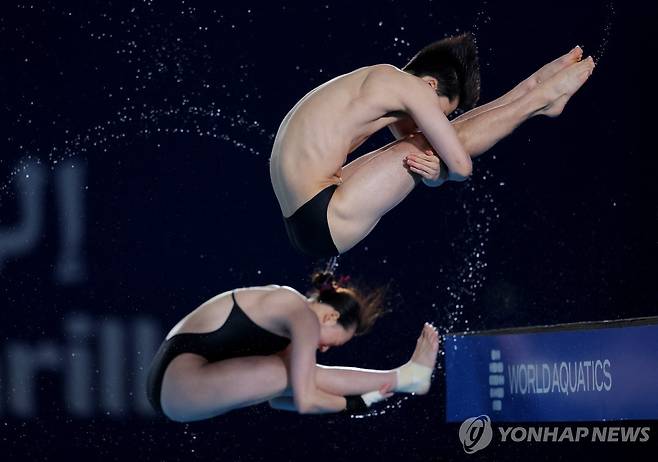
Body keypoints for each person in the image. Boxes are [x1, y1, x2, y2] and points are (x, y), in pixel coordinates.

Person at [270, 33, 595, 257]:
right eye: (437, 114)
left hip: (307, 216)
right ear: (429, 84)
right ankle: (540, 99)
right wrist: (441, 174)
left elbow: (448, 146)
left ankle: (533, 90)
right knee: (439, 145)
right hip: (324, 217)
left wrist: (441, 169)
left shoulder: (377, 79)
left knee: (435, 143)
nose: (433, 123)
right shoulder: (411, 88)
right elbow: (462, 166)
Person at [146, 272, 440, 422]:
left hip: (174, 386)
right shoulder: (299, 314)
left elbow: (279, 399)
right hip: (179, 383)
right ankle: (407, 377)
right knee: (290, 374)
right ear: (330, 316)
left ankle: (407, 377)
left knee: (293, 373)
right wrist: (354, 403)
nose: (323, 348)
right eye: (332, 342)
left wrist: (355, 401)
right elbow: (305, 400)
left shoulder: (290, 315)